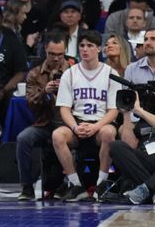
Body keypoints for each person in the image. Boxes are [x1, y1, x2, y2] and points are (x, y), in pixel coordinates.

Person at [52, 30, 120, 202]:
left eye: (90, 45)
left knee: (109, 133)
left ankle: (101, 184)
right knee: (57, 135)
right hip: (78, 124)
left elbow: (114, 110)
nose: (85, 49)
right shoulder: (70, 73)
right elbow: (64, 109)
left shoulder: (111, 73)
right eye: (82, 45)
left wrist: (96, 127)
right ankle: (76, 185)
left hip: (100, 124)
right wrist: (75, 127)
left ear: (98, 49)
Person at [16, 30, 70, 201]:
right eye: (52, 54)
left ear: (65, 51)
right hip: (44, 123)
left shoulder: (73, 72)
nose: (56, 58)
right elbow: (31, 104)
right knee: (23, 139)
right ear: (45, 50)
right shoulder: (34, 73)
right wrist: (45, 93)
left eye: (60, 55)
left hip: (68, 124)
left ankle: (70, 185)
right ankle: (26, 187)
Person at [112, 76, 155, 204]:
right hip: (145, 161)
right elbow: (130, 144)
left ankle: (146, 188)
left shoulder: (144, 113)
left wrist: (139, 111)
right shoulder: (148, 113)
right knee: (116, 146)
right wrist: (127, 112)